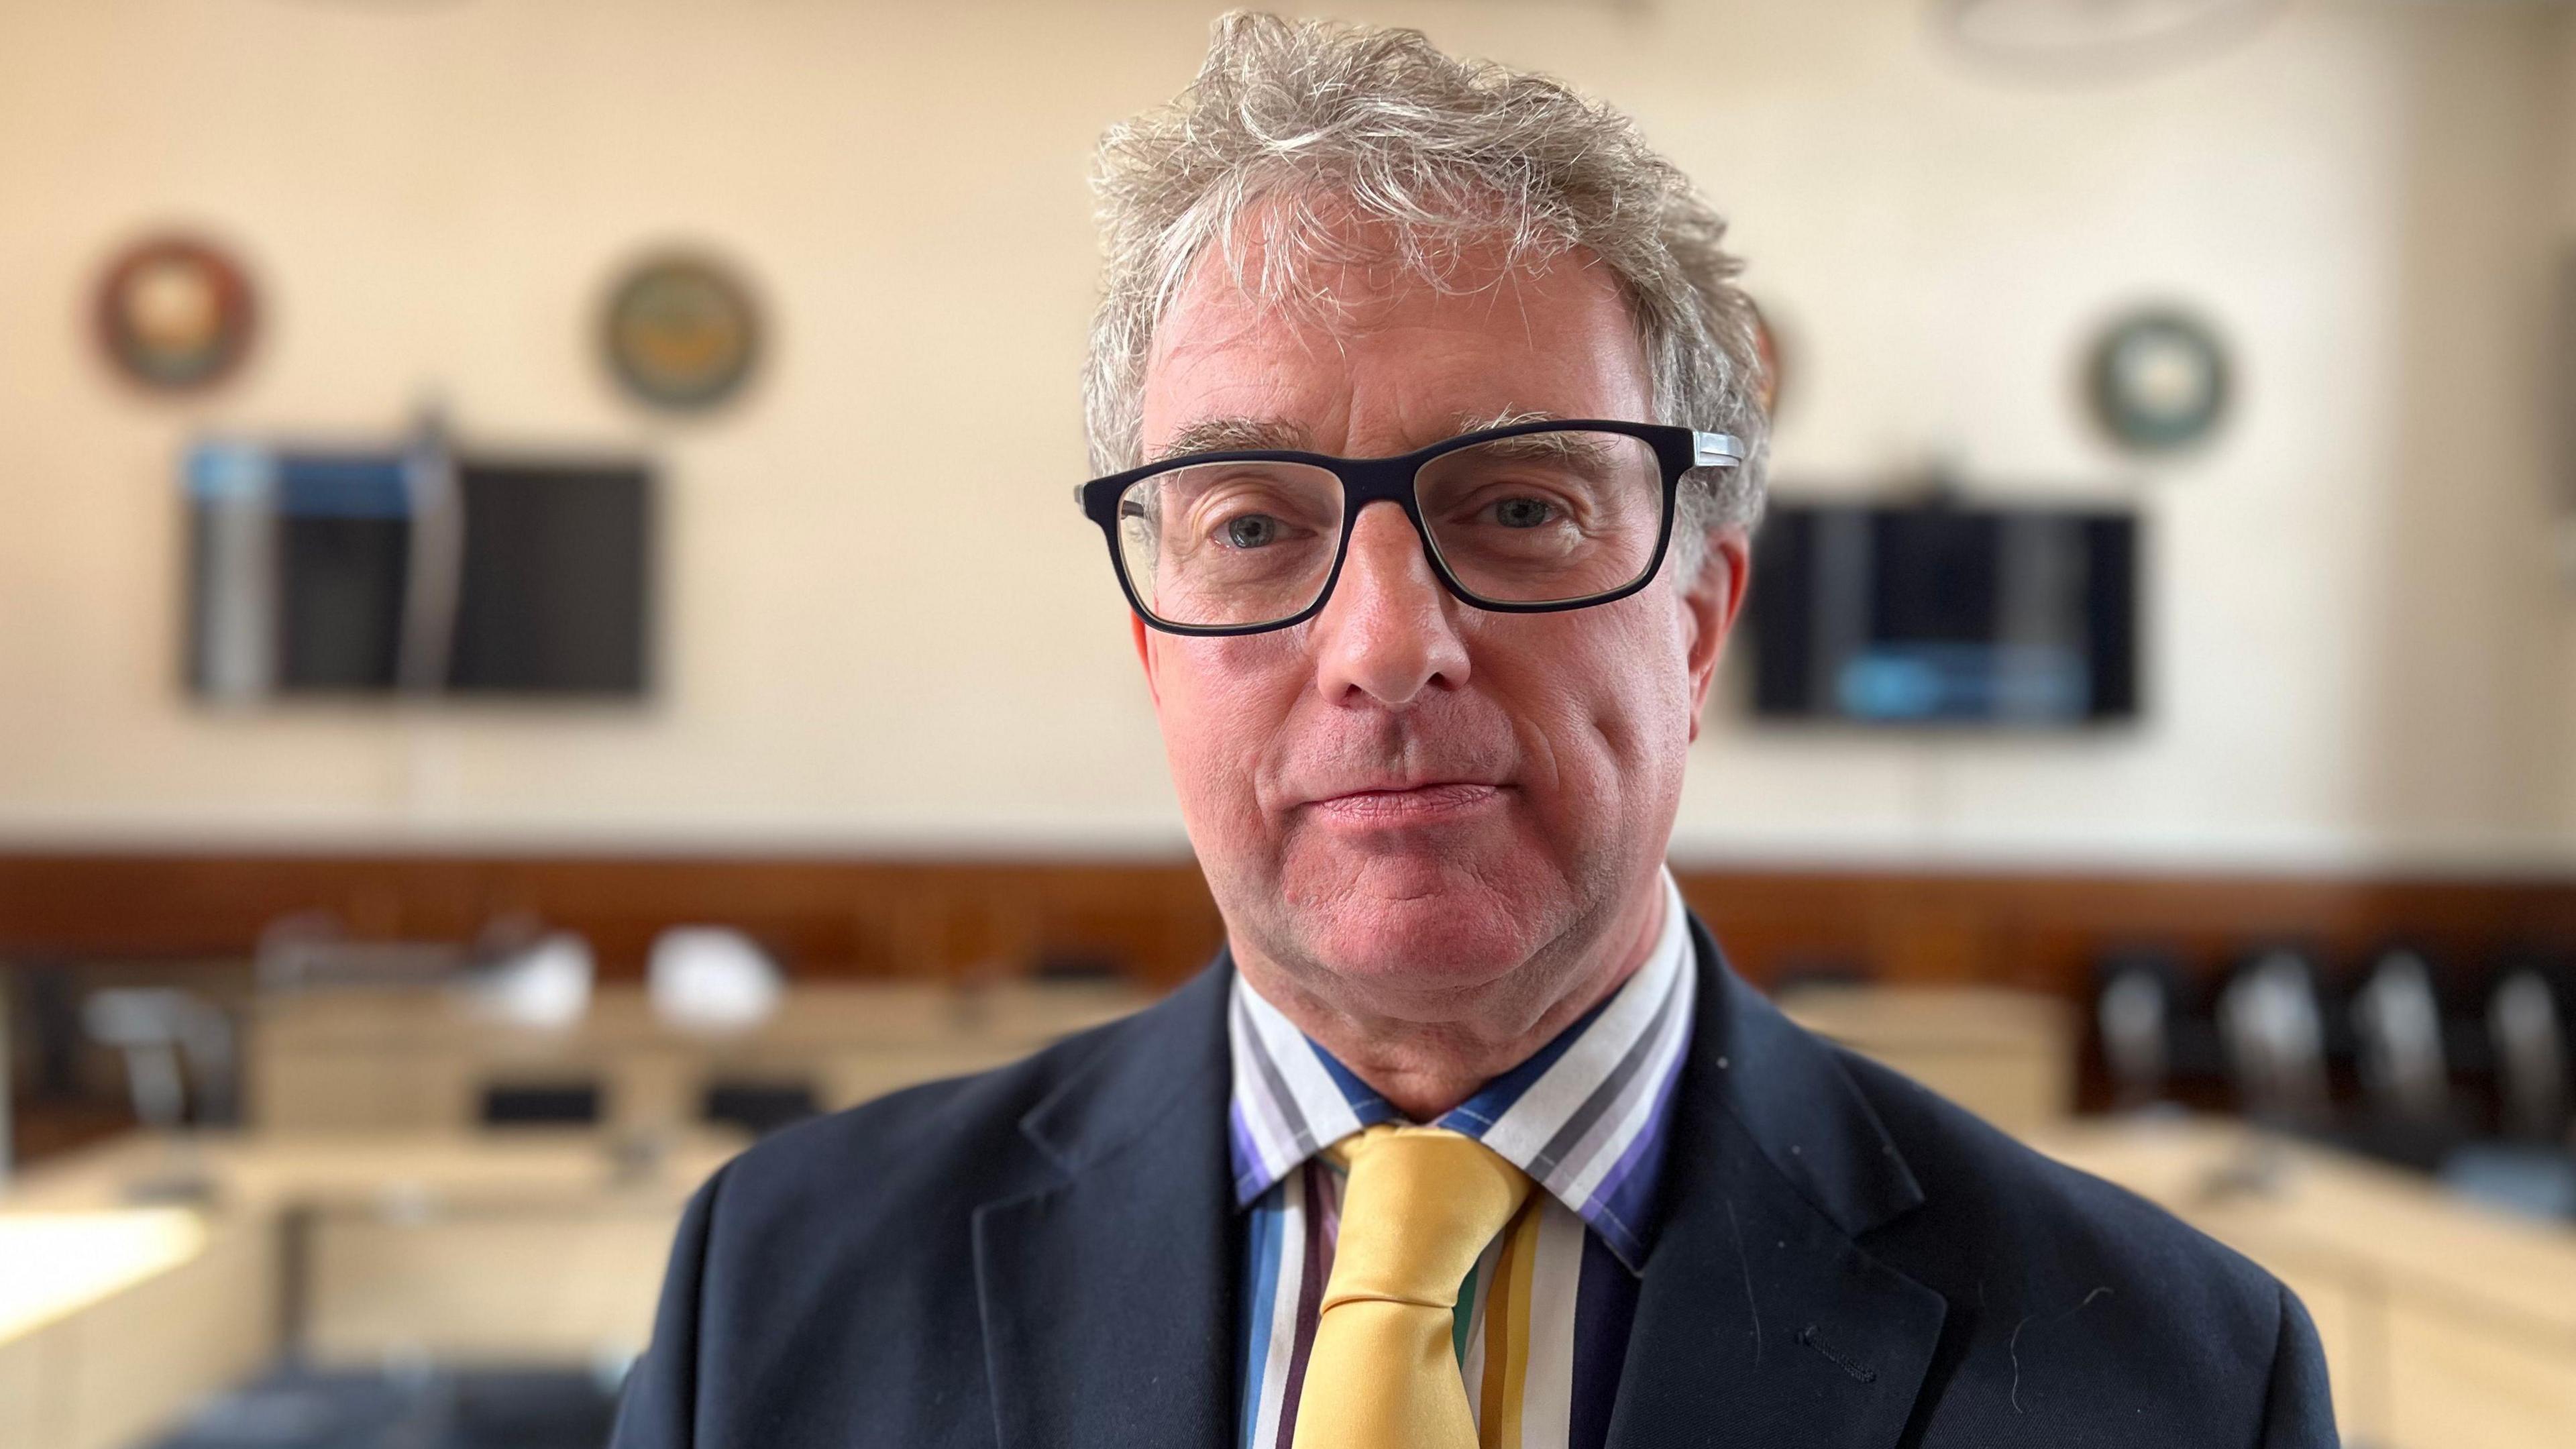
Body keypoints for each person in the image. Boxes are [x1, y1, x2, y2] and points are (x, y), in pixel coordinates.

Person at [610, 14, 2336, 1448]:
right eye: (1254, 524)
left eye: (1517, 508)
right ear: (1153, 646)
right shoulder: (776, 1291)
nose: (1382, 647)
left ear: (1701, 616)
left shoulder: (2176, 1376)